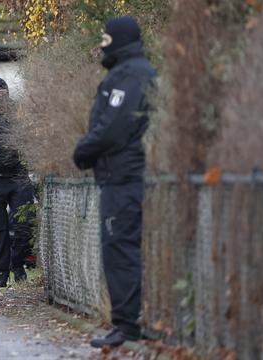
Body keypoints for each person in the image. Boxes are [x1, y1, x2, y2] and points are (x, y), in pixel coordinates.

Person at [72, 16, 156, 348]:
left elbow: (115, 126)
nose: (101, 45)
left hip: (124, 176)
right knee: (120, 248)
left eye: (105, 39)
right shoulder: (128, 73)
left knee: (120, 248)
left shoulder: (130, 75)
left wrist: (84, 150)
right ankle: (128, 322)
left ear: (119, 41)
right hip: (121, 175)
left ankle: (127, 325)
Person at [0, 77, 35, 288]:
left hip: (19, 177)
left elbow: (32, 140)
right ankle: (0, 272)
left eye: (2, 93)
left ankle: (18, 265)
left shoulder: (20, 112)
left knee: (23, 224)